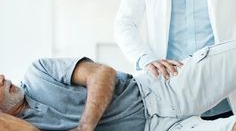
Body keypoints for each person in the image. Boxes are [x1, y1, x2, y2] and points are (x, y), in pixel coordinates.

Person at [1, 41, 236, 130]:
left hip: (160, 91)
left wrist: (86, 126)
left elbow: (103, 73)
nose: (1, 77)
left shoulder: (38, 73)